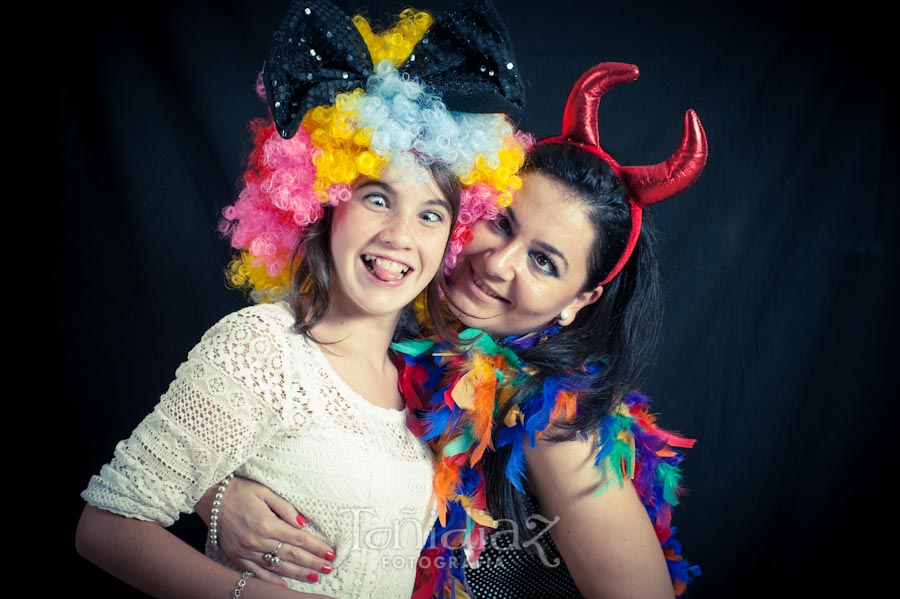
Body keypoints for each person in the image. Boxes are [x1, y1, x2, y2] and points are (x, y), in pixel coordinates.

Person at [196, 61, 708, 599]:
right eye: (503, 222)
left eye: (544, 262)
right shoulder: (390, 333)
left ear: (579, 301)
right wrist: (218, 498)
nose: (499, 262)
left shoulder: (555, 426)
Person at [74, 0, 529, 597]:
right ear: (325, 201)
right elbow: (104, 528)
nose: (399, 236)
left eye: (430, 214)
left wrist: (218, 493)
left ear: (452, 237)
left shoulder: (423, 384)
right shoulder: (262, 346)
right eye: (375, 198)